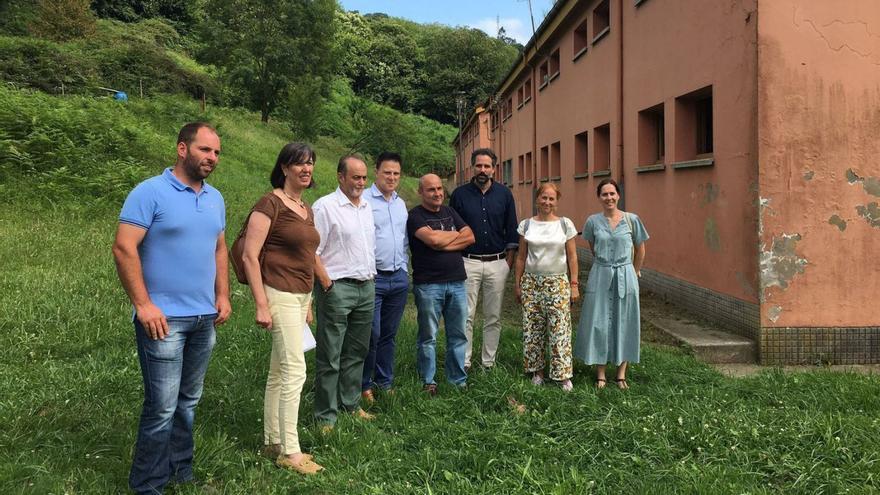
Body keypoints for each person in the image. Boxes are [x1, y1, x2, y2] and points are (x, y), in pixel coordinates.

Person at [113, 122, 231, 494]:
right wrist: (143, 305)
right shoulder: (150, 192)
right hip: (163, 321)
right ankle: (148, 484)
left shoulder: (215, 198)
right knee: (162, 407)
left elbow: (219, 248)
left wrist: (223, 295)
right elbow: (123, 247)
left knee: (187, 403)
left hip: (203, 318)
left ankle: (181, 471)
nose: (211, 158)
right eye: (204, 150)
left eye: (216, 152)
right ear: (182, 149)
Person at [241, 143, 324, 474]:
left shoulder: (306, 208)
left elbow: (306, 257)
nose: (306, 168)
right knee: (295, 371)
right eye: (299, 163)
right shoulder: (270, 204)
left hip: (300, 296)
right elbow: (250, 255)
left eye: (310, 163)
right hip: (278, 293)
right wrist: (261, 303)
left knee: (279, 371)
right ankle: (291, 452)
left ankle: (272, 440)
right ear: (285, 168)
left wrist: (309, 302)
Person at [311, 154, 376, 429]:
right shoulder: (325, 207)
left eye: (363, 177)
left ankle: (350, 404)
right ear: (340, 177)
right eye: (355, 177)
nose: (360, 182)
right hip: (337, 287)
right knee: (331, 353)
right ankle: (325, 415)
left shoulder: (367, 207)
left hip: (366, 287)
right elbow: (311, 251)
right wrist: (326, 282)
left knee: (357, 351)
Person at [574, 178, 649, 389]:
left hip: (626, 275)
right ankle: (600, 373)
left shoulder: (632, 220)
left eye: (612, 193)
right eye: (604, 194)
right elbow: (593, 246)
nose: (609, 198)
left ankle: (621, 373)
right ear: (599, 197)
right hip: (601, 273)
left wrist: (634, 271)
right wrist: (605, 265)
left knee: (624, 321)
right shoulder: (592, 221)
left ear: (618, 195)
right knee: (598, 322)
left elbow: (640, 249)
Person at [449, 148, 518, 372]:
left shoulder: (505, 194)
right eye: (479, 165)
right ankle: (465, 362)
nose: (482, 170)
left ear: (494, 169)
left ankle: (489, 362)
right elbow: (453, 229)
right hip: (468, 262)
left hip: (498, 263)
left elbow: (511, 229)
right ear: (472, 167)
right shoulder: (459, 195)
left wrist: (508, 262)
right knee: (465, 315)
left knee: (493, 316)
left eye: (487, 166)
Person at [408, 174, 475, 396]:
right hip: (429, 285)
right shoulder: (415, 216)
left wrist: (442, 241)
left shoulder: (449, 211)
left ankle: (457, 379)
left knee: (458, 334)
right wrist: (453, 236)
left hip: (456, 282)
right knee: (429, 336)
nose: (437, 194)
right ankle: (429, 380)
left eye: (439, 189)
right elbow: (433, 240)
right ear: (421, 192)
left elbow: (470, 236)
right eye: (431, 190)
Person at [513, 183, 579, 392]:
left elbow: (572, 257)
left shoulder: (565, 225)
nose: (547, 202)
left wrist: (574, 284)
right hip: (532, 283)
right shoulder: (526, 225)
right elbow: (521, 257)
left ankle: (562, 375)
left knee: (560, 329)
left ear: (556, 201)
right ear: (537, 199)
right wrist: (517, 284)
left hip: (558, 282)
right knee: (533, 329)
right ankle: (537, 372)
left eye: (551, 199)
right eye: (543, 198)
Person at [361, 152, 409, 403]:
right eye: (387, 172)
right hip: (374, 278)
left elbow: (403, 240)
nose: (391, 177)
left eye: (396, 174)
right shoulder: (365, 200)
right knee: (372, 333)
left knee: (389, 334)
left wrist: (404, 269)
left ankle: (384, 381)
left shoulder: (400, 203)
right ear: (376, 172)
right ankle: (364, 384)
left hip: (398, 278)